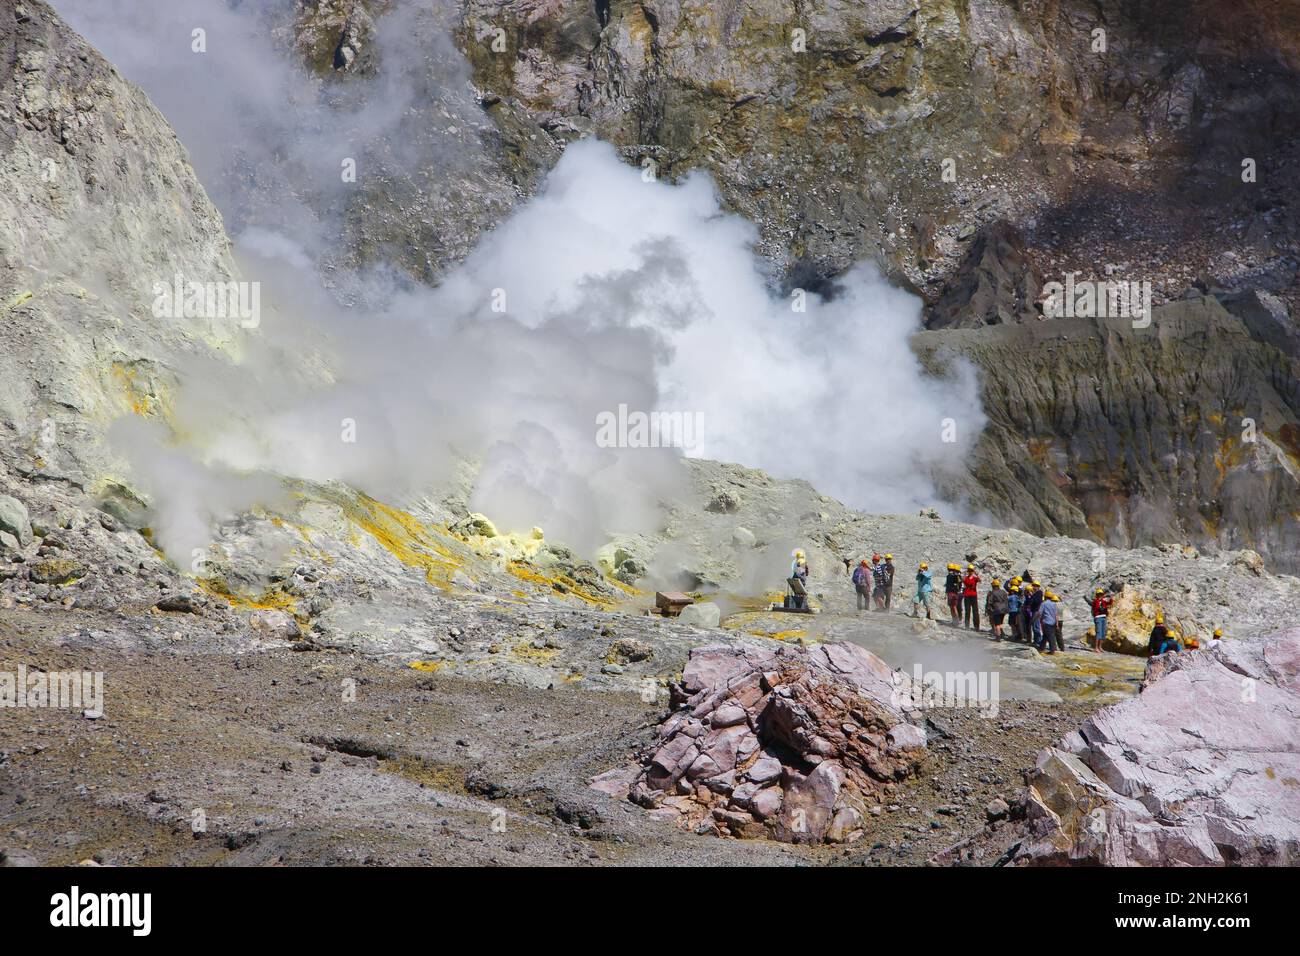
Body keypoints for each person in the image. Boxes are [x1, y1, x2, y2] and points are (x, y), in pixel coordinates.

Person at [1035, 589, 1061, 653]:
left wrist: (1035, 619)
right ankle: (1041, 648)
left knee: (1050, 636)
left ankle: (1052, 650)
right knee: (1045, 636)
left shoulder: (1044, 604)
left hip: (1046, 622)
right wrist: (1057, 623)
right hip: (1053, 622)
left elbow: (1040, 613)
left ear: (1045, 596)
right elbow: (1056, 614)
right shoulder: (1054, 604)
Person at [1088, 588, 1112, 653]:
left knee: (1103, 633)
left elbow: (1110, 603)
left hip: (1104, 617)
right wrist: (1101, 607)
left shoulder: (1104, 601)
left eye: (1101, 594)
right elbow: (1095, 608)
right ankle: (1096, 648)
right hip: (1098, 617)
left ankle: (1100, 647)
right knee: (1098, 632)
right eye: (1099, 594)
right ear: (1097, 595)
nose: (1101, 595)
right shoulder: (1095, 601)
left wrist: (1111, 597)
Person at [1025, 581, 1044, 647]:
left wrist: (1031, 596)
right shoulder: (1035, 593)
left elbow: (1037, 601)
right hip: (1034, 611)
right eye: (1033, 586)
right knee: (1034, 626)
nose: (1034, 587)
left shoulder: (1039, 593)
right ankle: (1036, 641)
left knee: (1036, 627)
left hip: (1036, 611)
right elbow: (1030, 602)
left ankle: (1039, 641)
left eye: (1036, 586)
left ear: (1038, 587)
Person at [962, 564, 981, 630]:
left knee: (975, 611)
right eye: (969, 570)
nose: (970, 572)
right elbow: (962, 580)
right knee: (967, 611)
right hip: (967, 595)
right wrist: (965, 574)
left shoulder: (975, 578)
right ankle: (967, 626)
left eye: (971, 570)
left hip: (973, 595)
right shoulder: (966, 578)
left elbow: (979, 580)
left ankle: (976, 626)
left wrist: (976, 574)